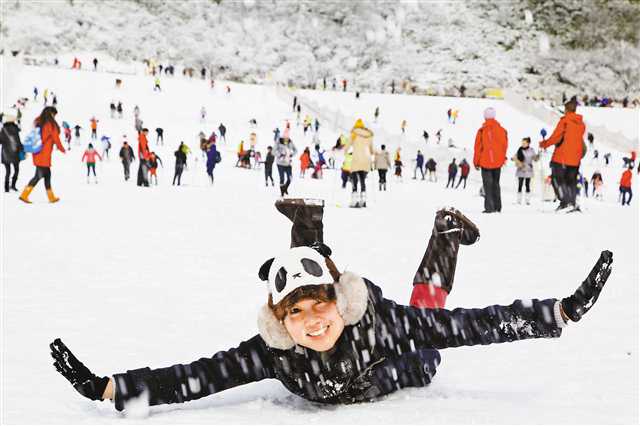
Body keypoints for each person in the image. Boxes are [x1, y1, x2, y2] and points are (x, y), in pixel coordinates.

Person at [49, 201, 615, 414]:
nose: (313, 321)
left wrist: (558, 312)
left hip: (397, 361)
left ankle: (445, 232)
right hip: (347, 350)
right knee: (308, 273)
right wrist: (109, 388)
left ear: (339, 303)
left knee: (432, 324)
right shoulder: (274, 352)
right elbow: (195, 377)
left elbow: (471, 326)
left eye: (320, 306)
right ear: (280, 321)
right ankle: (309, 226)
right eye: (296, 314)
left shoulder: (382, 324)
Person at [539, 98, 586, 213]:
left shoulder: (564, 122)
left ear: (566, 110)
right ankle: (573, 202)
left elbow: (556, 137)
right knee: (571, 181)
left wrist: (544, 144)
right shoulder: (581, 124)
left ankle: (565, 202)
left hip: (562, 157)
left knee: (558, 180)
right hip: (575, 159)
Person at [19, 106, 66, 203]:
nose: (54, 116)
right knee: (38, 176)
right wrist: (62, 149)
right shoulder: (49, 124)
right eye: (54, 114)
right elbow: (55, 138)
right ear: (51, 113)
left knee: (47, 174)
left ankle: (51, 197)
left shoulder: (40, 122)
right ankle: (24, 195)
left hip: (38, 153)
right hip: (43, 154)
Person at [473, 107, 508, 213]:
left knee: (487, 185)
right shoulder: (502, 130)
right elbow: (504, 145)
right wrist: (502, 158)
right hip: (498, 162)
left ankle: (489, 207)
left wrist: (476, 161)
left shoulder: (482, 130)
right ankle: (498, 206)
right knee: (496, 184)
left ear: (485, 116)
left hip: (485, 162)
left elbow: (478, 147)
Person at [342, 119, 374, 208]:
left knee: (354, 179)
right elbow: (371, 150)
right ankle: (363, 201)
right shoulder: (368, 135)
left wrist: (345, 153)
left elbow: (347, 146)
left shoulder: (354, 133)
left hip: (356, 159)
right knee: (363, 180)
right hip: (366, 160)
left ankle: (354, 201)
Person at [1, 109, 23, 192]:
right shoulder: (14, 129)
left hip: (5, 153)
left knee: (8, 171)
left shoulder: (3, 129)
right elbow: (18, 141)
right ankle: (13, 185)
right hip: (14, 153)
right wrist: (22, 149)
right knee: (16, 170)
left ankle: (6, 188)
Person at [512, 137, 538, 205]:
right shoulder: (519, 150)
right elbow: (515, 157)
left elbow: (535, 158)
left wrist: (537, 156)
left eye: (524, 143)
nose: (523, 144)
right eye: (522, 143)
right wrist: (515, 159)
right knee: (520, 185)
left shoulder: (531, 150)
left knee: (527, 185)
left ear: (528, 143)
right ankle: (519, 200)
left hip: (528, 170)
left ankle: (527, 200)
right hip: (520, 169)